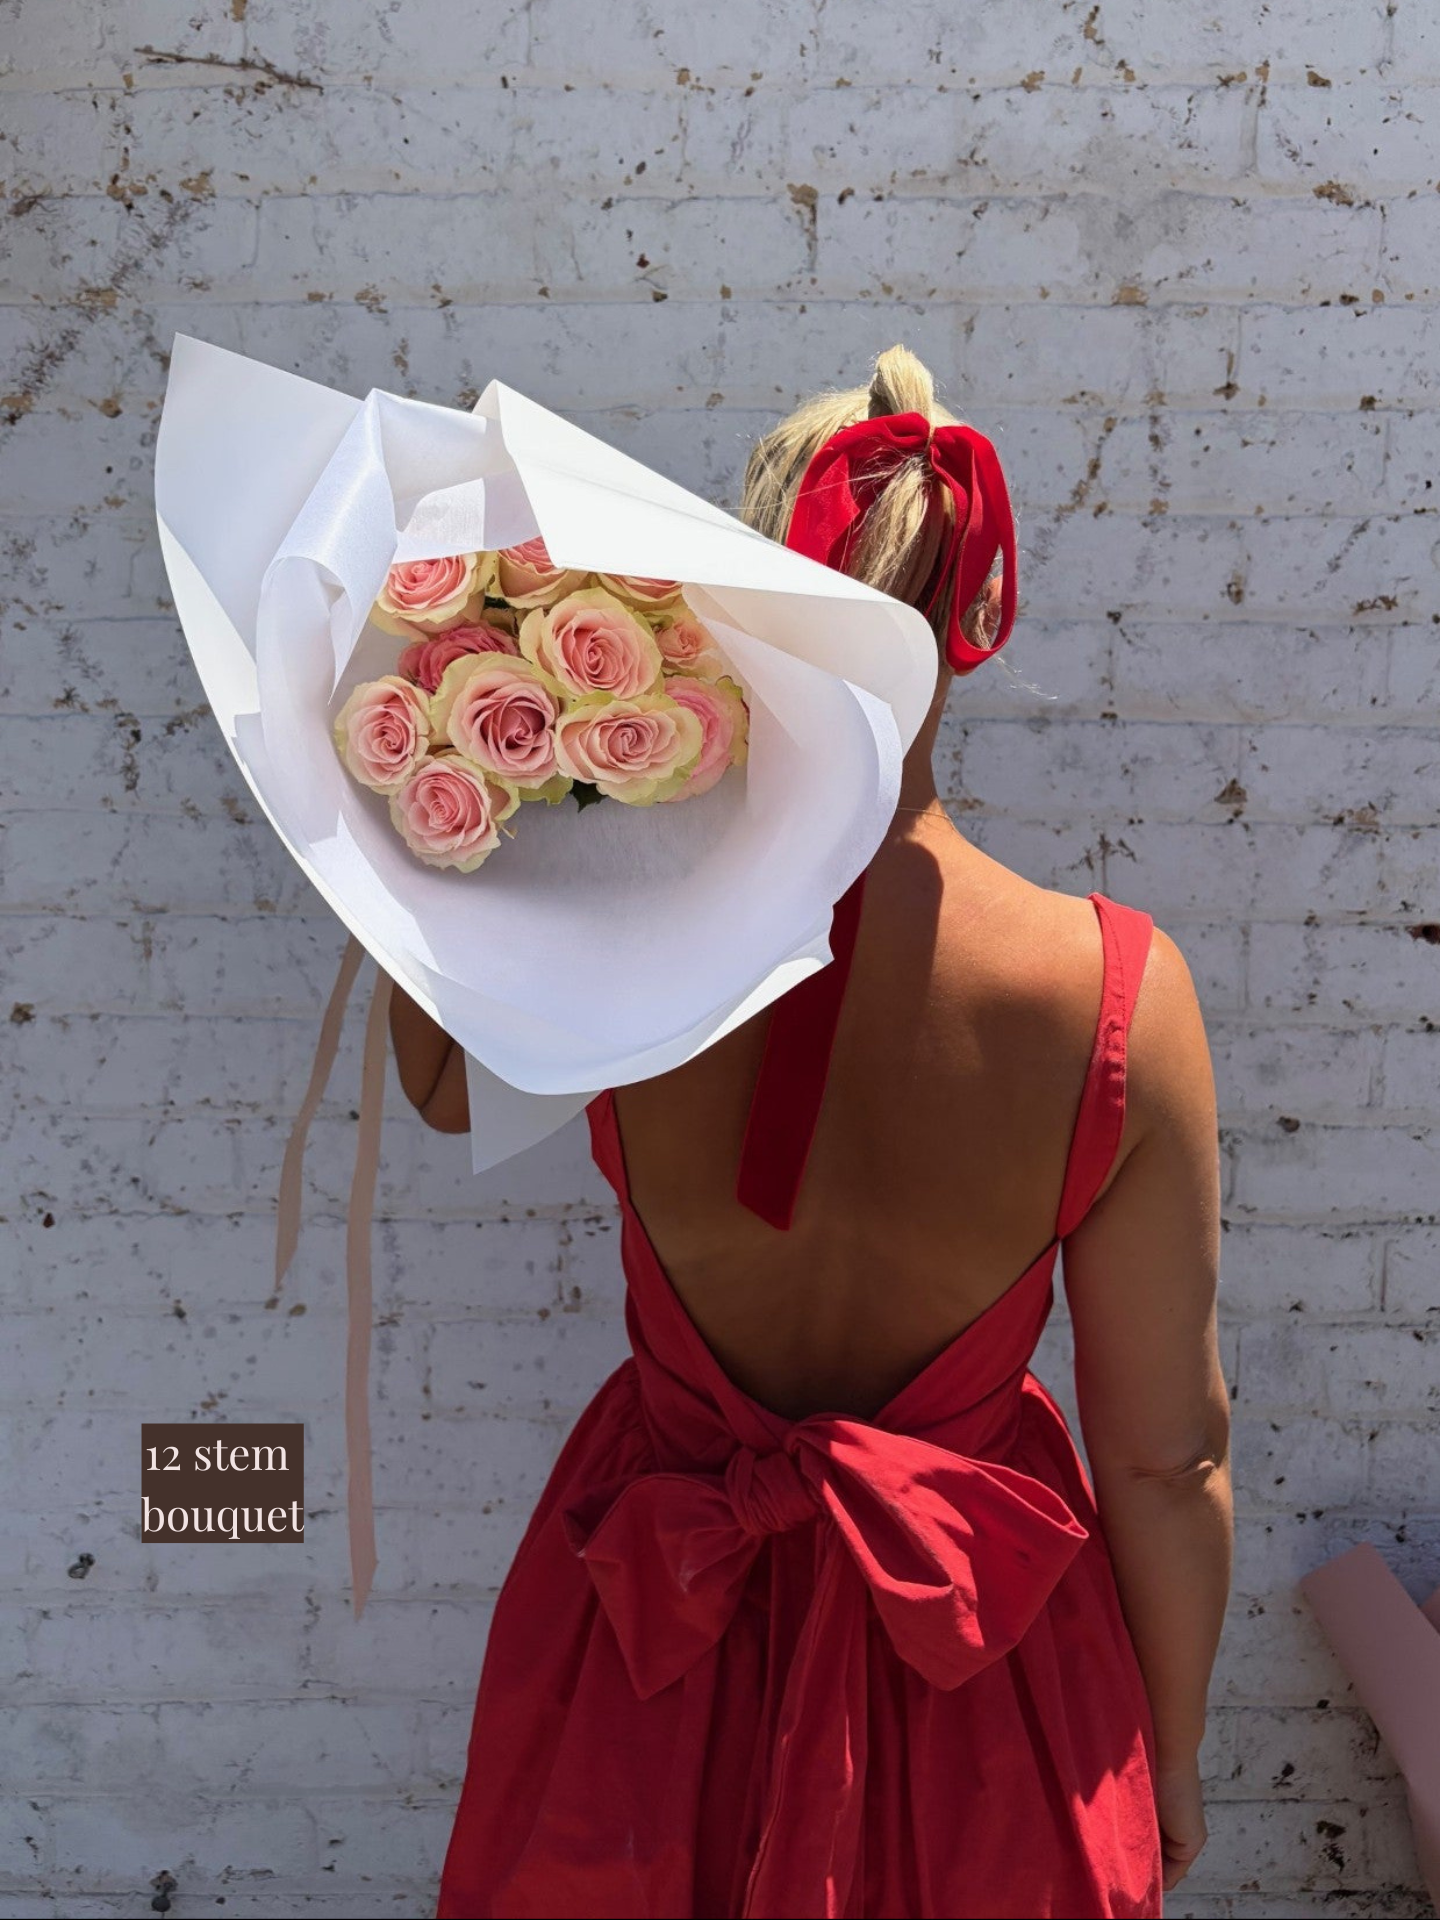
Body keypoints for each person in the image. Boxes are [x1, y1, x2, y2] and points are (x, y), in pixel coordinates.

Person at [390, 346, 1232, 1920]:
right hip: (972, 1672)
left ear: (738, 593)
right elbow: (1165, 1457)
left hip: (655, 1639)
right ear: (974, 616)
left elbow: (441, 1084)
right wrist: (1169, 1756)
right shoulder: (1113, 994)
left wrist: (452, 767)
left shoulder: (640, 932)